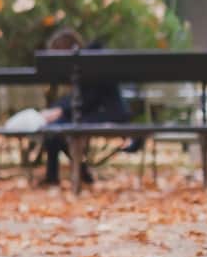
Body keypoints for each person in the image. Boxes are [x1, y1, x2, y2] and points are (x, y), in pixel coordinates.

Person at [36, 27, 135, 186]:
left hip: (107, 113)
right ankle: (75, 172)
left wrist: (60, 109)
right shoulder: (89, 61)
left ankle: (61, 175)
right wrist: (58, 108)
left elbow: (89, 99)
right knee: (55, 128)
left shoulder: (89, 63)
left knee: (56, 128)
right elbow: (83, 98)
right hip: (100, 112)